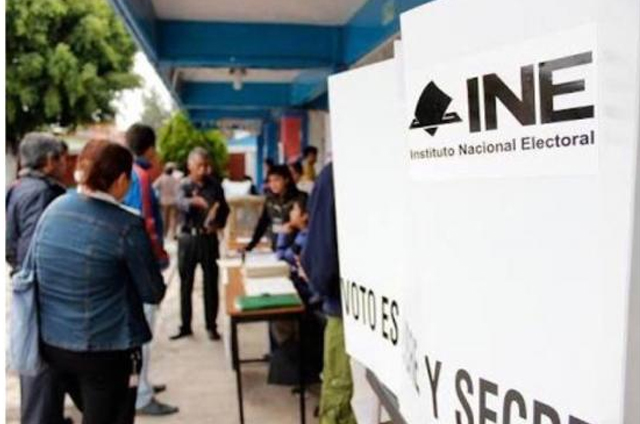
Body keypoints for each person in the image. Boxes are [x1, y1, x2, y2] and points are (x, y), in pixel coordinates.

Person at [31, 141, 166, 424]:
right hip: (106, 349)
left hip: (54, 345)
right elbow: (153, 292)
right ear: (121, 179)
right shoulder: (126, 225)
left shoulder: (54, 209)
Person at [6, 133, 69, 424]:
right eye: (62, 159)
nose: (65, 166)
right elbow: (38, 250)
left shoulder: (18, 188)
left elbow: (11, 246)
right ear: (48, 161)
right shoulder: (43, 193)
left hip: (28, 287)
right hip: (43, 294)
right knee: (43, 372)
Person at [121, 124, 178, 416]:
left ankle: (142, 385)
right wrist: (159, 258)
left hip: (127, 265)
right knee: (142, 332)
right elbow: (146, 225)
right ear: (151, 149)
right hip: (141, 267)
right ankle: (141, 396)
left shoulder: (125, 173)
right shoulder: (140, 176)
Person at [301, 164, 357, 424]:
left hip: (344, 309)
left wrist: (317, 284)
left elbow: (320, 260)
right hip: (393, 313)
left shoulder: (336, 173)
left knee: (340, 400)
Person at [171, 147, 230, 341]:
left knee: (211, 283)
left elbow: (224, 209)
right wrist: (193, 202)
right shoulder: (183, 185)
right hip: (188, 239)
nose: (203, 170)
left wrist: (218, 223)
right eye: (199, 166)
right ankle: (185, 325)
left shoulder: (215, 185)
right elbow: (179, 202)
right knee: (185, 284)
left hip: (208, 239)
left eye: (206, 165)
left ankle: (211, 326)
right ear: (190, 166)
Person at [245, 165, 308, 252]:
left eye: (276, 180)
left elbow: (305, 223)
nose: (273, 184)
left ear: (286, 180)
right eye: (270, 181)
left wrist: (291, 225)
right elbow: (263, 223)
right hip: (276, 247)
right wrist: (250, 246)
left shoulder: (300, 198)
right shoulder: (270, 200)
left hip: (297, 248)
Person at [154, 162, 180, 239]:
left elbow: (154, 186)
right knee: (173, 219)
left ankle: (164, 233)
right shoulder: (174, 179)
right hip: (173, 201)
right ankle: (173, 234)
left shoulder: (161, 178)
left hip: (163, 201)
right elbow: (178, 189)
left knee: (164, 218)